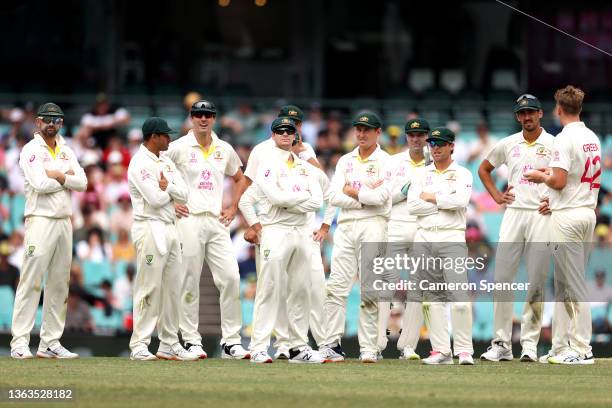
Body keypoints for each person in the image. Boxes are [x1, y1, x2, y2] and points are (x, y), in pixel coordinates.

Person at [165, 100, 250, 360]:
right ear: (191, 118)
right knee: (189, 280)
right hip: (188, 219)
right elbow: (158, 172)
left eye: (208, 115)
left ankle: (231, 341)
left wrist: (234, 207)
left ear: (214, 119)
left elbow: (240, 178)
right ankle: (191, 340)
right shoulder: (177, 147)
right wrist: (171, 204)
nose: (203, 119)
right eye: (199, 114)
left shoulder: (224, 149)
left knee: (232, 277)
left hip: (216, 220)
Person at [524, 85, 600, 364]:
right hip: (586, 212)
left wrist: (539, 177)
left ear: (558, 110)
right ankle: (560, 347)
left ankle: (582, 348)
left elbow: (557, 180)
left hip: (568, 217)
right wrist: (551, 185)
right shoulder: (591, 136)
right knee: (566, 283)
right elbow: (573, 175)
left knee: (573, 285)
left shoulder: (562, 139)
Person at [240, 104, 322, 359]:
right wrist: (255, 224)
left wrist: (288, 200)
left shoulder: (304, 166)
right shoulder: (266, 163)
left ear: (296, 135)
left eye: (289, 131)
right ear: (273, 135)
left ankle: (298, 346)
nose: (285, 135)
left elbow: (318, 200)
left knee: (300, 290)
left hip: (300, 231)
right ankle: (259, 347)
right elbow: (252, 199)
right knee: (269, 288)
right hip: (275, 231)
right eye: (280, 131)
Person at [478, 94, 555, 362]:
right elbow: (484, 169)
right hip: (513, 214)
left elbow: (567, 179)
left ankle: (530, 345)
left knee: (536, 280)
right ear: (517, 117)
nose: (527, 117)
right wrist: (497, 197)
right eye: (522, 113)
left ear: (540, 114)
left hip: (540, 216)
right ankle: (501, 343)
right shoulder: (508, 143)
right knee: (502, 279)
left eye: (531, 112)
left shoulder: (555, 144)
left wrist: (554, 203)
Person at [10, 102, 87, 359]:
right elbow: (40, 184)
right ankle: (20, 342)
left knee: (59, 284)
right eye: (47, 119)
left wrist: (61, 176)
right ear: (38, 122)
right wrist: (66, 178)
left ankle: (50, 343)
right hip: (40, 219)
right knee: (31, 281)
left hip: (64, 220)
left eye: (56, 120)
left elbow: (83, 183)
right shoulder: (30, 150)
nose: (52, 123)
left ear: (62, 123)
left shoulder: (66, 149)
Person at [319, 111, 391, 363]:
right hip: (347, 226)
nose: (361, 134)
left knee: (370, 288)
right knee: (336, 285)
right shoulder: (345, 161)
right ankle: (330, 343)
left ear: (378, 132)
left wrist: (352, 191)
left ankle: (369, 347)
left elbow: (381, 198)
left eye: (367, 130)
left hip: (374, 225)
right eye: (358, 129)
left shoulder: (387, 161)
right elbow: (333, 196)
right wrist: (362, 197)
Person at [127, 117, 196, 361]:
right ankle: (139, 344)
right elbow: (155, 199)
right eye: (166, 135)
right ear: (154, 137)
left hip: (170, 227)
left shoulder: (165, 161)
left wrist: (167, 188)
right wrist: (169, 190)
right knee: (149, 287)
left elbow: (185, 195)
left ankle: (168, 343)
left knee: (172, 288)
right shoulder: (139, 164)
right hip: (148, 226)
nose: (169, 139)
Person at [407, 127, 474, 365]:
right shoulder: (420, 175)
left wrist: (431, 197)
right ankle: (441, 350)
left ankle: (465, 350)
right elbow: (412, 207)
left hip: (451, 237)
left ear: (451, 146)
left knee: (458, 295)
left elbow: (460, 201)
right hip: (424, 238)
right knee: (431, 298)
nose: (435, 148)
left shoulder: (463, 173)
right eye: (432, 144)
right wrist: (443, 200)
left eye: (440, 144)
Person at [378, 118, 430, 360]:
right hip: (397, 225)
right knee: (387, 284)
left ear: (427, 136)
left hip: (423, 227)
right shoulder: (394, 162)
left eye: (420, 134)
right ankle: (376, 344)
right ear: (406, 137)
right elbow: (382, 198)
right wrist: (403, 193)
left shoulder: (436, 162)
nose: (416, 139)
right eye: (412, 135)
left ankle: (407, 346)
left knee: (418, 288)